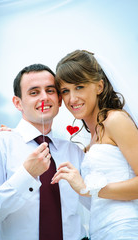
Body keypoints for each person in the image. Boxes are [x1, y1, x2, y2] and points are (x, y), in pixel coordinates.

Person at [0, 64, 89, 240]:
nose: (44, 97)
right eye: (34, 92)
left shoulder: (74, 151)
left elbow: (98, 205)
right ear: (18, 103)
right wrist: (26, 175)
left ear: (59, 100)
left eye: (50, 90)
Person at [51, 49, 138, 240]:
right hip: (99, 232)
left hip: (124, 229)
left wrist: (89, 189)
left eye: (79, 87)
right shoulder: (89, 142)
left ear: (99, 86)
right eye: (65, 91)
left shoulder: (115, 121)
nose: (72, 99)